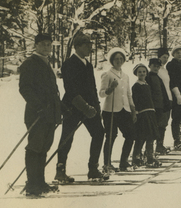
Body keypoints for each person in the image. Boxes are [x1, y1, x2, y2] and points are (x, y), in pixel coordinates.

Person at [55, 34, 107, 183]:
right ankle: (60, 170)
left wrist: (96, 107)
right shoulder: (69, 64)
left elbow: (92, 87)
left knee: (99, 133)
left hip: (91, 107)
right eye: (86, 45)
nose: (89, 47)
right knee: (67, 137)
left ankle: (93, 169)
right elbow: (70, 89)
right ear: (77, 47)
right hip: (73, 106)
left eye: (90, 45)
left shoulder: (88, 65)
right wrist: (85, 107)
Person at [19, 33, 61, 196]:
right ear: (36, 45)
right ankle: (32, 184)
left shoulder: (47, 63)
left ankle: (40, 182)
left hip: (49, 114)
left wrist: (60, 107)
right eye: (43, 44)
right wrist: (38, 107)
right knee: (35, 147)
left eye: (49, 44)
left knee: (44, 147)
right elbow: (25, 88)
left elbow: (52, 92)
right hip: (37, 114)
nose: (46, 47)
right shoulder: (30, 63)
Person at [99, 48, 137, 172]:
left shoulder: (125, 76)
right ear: (111, 61)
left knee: (130, 135)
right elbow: (102, 93)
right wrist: (110, 88)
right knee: (111, 136)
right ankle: (107, 164)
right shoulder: (107, 74)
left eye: (121, 59)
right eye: (116, 59)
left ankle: (124, 162)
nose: (119, 61)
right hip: (110, 111)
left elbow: (128, 93)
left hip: (124, 110)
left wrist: (132, 108)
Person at [132, 63, 161, 167]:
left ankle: (150, 156)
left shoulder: (147, 85)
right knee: (141, 136)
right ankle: (136, 157)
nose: (142, 74)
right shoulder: (136, 86)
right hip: (142, 114)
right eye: (139, 72)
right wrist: (136, 112)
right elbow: (135, 100)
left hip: (150, 112)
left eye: (144, 72)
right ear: (136, 73)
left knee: (151, 135)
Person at [146, 58, 171, 155]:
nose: (156, 68)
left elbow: (163, 92)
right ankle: (149, 150)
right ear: (150, 66)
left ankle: (159, 145)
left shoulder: (158, 78)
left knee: (162, 126)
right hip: (153, 107)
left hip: (160, 107)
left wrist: (166, 104)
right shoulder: (148, 77)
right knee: (152, 129)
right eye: (154, 66)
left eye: (157, 66)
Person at [156, 48, 172, 154]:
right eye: (163, 57)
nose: (165, 59)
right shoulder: (156, 70)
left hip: (168, 98)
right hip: (160, 100)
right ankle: (157, 145)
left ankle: (160, 145)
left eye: (167, 57)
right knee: (159, 123)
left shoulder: (166, 71)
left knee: (164, 123)